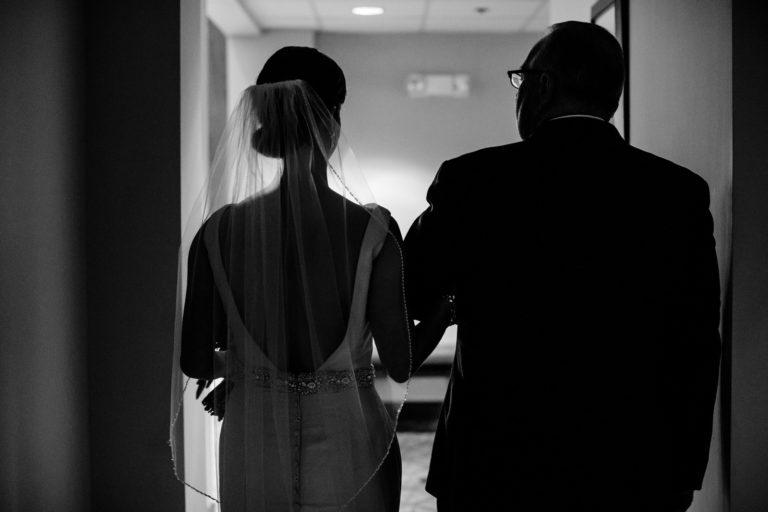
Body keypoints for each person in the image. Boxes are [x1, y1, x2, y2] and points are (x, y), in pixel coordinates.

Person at [404, 21, 721, 512]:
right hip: (632, 467)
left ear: (543, 86)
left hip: (493, 462)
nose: (518, 93)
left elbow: (409, 290)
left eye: (521, 79)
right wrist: (683, 473)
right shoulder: (678, 193)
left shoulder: (472, 180)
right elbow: (697, 343)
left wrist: (452, 300)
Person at [169, 47, 451, 511]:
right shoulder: (373, 231)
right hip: (351, 443)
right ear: (332, 119)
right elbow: (400, 364)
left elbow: (196, 360)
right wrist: (444, 310)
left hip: (254, 442)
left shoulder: (218, 231)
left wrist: (246, 368)